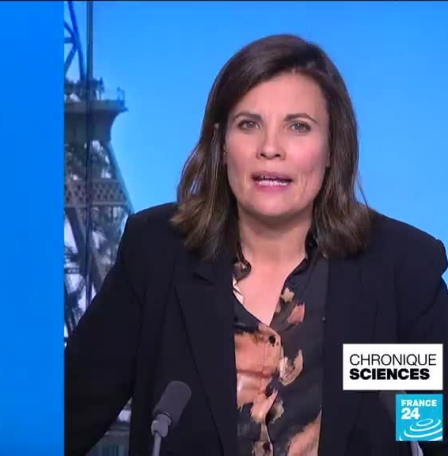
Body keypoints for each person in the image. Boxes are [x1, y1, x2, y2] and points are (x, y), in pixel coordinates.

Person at [65, 34, 448, 456]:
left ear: (331, 148)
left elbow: (434, 431)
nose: (270, 148)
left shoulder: (396, 273)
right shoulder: (156, 257)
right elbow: (65, 422)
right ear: (221, 144)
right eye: (249, 124)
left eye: (298, 127)